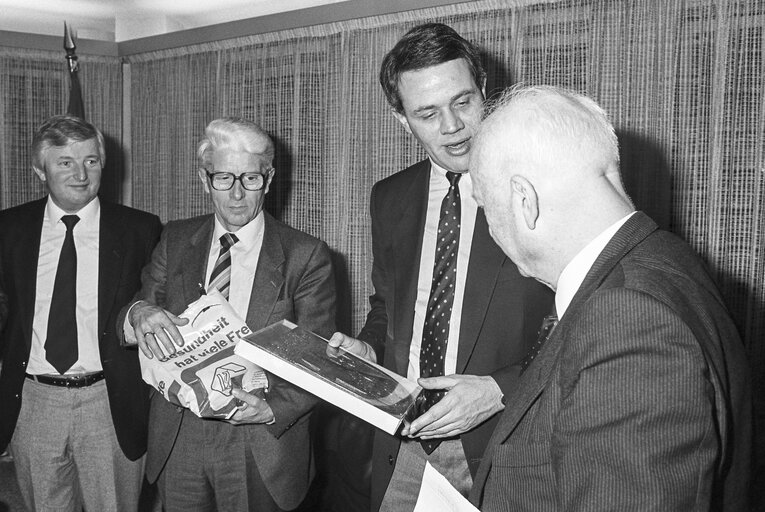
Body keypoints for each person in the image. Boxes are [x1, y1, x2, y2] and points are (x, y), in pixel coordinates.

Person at [467, 85, 752, 510]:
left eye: (486, 208)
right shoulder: (662, 259)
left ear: (524, 200)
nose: (491, 231)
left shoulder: (627, 318)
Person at [329, 23, 553, 511]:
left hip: (507, 446)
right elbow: (388, 306)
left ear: (485, 91)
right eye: (427, 113)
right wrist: (367, 348)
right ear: (401, 119)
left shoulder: (542, 187)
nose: (452, 126)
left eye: (464, 101)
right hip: (402, 441)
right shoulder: (389, 198)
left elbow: (580, 321)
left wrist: (500, 390)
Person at [119, 117, 336, 511]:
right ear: (205, 180)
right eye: (223, 178)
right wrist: (138, 312)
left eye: (250, 179)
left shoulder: (305, 256)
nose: (237, 194)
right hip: (179, 432)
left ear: (268, 181)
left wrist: (273, 407)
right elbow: (136, 309)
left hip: (258, 441)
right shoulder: (175, 239)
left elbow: (317, 359)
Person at [0, 114, 163, 511]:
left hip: (110, 402)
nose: (80, 174)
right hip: (34, 400)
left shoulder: (140, 230)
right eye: (65, 162)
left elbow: (156, 304)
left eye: (90, 161)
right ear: (40, 169)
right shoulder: (9, 228)